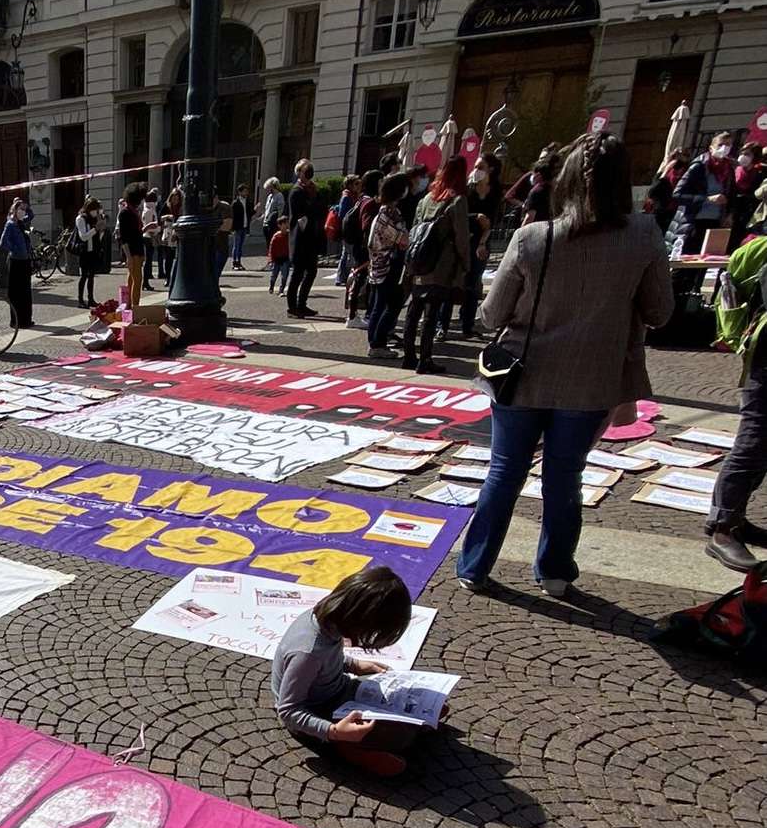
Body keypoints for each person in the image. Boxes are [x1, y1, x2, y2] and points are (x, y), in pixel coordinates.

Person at [457, 133, 673, 597]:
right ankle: (555, 571)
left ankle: (474, 566)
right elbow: (661, 312)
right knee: (564, 476)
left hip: (522, 376)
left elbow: (492, 315)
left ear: (567, 182)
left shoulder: (533, 237)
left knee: (504, 470)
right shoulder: (644, 235)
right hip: (592, 380)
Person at [271, 566, 420, 778]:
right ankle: (345, 747)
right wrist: (334, 732)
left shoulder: (327, 620)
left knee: (401, 704)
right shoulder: (307, 653)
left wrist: (355, 664)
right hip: (315, 713)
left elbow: (328, 661)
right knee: (398, 737)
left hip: (337, 690)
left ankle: (412, 722)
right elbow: (288, 711)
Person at [399, 155, 470, 375]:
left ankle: (409, 355)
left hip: (418, 260)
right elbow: (461, 237)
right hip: (441, 265)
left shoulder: (426, 198)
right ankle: (425, 358)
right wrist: (465, 264)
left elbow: (415, 229)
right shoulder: (457, 200)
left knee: (414, 310)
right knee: (431, 313)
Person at [442, 152, 502, 340]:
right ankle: (441, 325)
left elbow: (494, 219)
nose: (476, 171)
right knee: (452, 282)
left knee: (473, 284)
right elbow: (456, 215)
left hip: (481, 240)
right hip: (462, 239)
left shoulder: (495, 191)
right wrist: (475, 217)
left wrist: (484, 240)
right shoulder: (467, 190)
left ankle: (467, 326)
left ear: (490, 170)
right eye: (475, 167)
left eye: (480, 167)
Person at [365, 172, 411, 359]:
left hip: (379, 265)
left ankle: (376, 342)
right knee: (389, 305)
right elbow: (402, 239)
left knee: (380, 305)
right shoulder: (388, 215)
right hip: (386, 265)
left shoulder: (385, 212)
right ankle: (377, 343)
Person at [286, 159, 325, 317]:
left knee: (311, 272)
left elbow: (320, 208)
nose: (309, 172)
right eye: (305, 170)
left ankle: (302, 304)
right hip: (301, 238)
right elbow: (299, 214)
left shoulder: (313, 189)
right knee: (298, 273)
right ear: (299, 172)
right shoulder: (297, 191)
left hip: (311, 238)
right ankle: (292, 307)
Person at [343, 172, 380, 328]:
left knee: (358, 279)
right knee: (361, 280)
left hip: (358, 246)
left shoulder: (361, 199)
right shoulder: (369, 202)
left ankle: (353, 315)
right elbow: (366, 227)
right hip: (364, 247)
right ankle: (353, 315)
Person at [0, 196, 35, 328]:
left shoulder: (23, 222)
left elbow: (31, 215)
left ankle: (26, 319)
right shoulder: (10, 224)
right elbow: (3, 242)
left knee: (26, 292)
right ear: (14, 210)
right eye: (20, 209)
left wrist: (26, 206)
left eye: (23, 210)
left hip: (25, 260)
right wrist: (15, 250)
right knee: (16, 293)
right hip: (16, 261)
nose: (22, 212)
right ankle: (15, 320)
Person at [730, 142, 765, 252]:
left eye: (747, 154)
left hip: (752, 213)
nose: (743, 156)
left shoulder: (761, 172)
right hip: (734, 211)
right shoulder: (735, 170)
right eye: (742, 153)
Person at [645, 148, 689, 233]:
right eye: (679, 155)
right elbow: (654, 190)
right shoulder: (667, 168)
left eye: (686, 155)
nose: (682, 158)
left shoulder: (686, 171)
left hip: (673, 210)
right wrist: (666, 170)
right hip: (659, 208)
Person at [118, 182, 148, 307]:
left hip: (138, 248)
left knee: (132, 278)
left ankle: (129, 305)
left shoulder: (133, 212)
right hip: (133, 250)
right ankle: (135, 307)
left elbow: (135, 232)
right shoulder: (125, 213)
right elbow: (123, 237)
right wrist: (128, 256)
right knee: (137, 279)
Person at [74, 196, 105, 307]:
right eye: (94, 210)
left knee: (91, 275)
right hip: (84, 251)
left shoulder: (95, 219)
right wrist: (95, 229)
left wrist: (101, 231)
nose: (96, 212)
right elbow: (83, 237)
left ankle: (91, 299)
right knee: (84, 276)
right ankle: (80, 300)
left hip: (93, 251)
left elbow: (98, 237)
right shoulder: (81, 219)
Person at [229, 183, 252, 271]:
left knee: (241, 245)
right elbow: (232, 215)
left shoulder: (247, 201)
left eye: (247, 191)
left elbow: (250, 213)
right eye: (244, 191)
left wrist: (256, 211)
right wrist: (232, 227)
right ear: (240, 192)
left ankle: (239, 261)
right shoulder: (235, 203)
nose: (246, 193)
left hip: (244, 226)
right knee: (236, 245)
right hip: (237, 227)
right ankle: (234, 262)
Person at [267, 215, 290, 296]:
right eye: (284, 224)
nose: (286, 225)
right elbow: (271, 249)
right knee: (274, 275)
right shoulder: (276, 236)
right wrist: (270, 260)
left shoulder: (289, 235)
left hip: (285, 258)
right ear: (279, 225)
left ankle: (281, 290)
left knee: (284, 275)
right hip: (276, 259)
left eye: (287, 223)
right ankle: (271, 286)